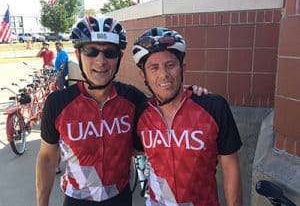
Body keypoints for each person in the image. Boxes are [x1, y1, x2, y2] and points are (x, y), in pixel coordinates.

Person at [35, 15, 206, 206]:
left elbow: (166, 106)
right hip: (76, 200)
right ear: (77, 55)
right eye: (91, 51)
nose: (101, 61)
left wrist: (185, 92)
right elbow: (48, 158)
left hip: (120, 199)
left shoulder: (133, 99)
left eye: (109, 53)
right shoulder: (58, 103)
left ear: (120, 57)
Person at [132, 27, 243, 206]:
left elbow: (230, 166)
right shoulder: (141, 112)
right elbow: (132, 149)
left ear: (182, 68)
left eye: (170, 65)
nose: (164, 74)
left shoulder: (213, 106)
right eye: (154, 67)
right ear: (142, 75)